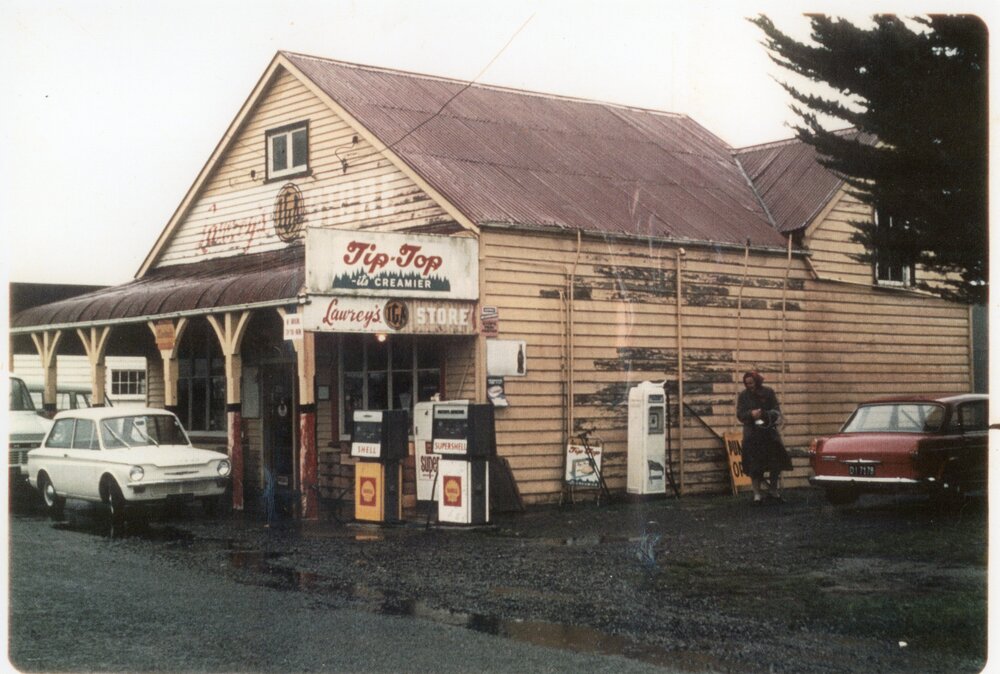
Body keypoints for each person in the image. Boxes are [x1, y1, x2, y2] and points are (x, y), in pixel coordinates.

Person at [736, 370, 792, 504]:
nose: (750, 385)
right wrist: (751, 414)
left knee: (775, 463)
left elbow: (776, 411)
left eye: (752, 382)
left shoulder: (768, 392)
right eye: (747, 383)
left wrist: (764, 414)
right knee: (754, 465)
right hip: (752, 435)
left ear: (757, 381)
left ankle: (773, 491)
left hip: (769, 433)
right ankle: (757, 495)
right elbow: (740, 414)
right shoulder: (743, 396)